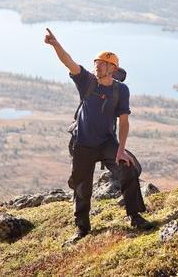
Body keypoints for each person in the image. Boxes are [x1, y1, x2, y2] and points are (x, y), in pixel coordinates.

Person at [44, 28, 153, 243]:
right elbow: (69, 62)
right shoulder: (86, 81)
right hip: (83, 144)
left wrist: (121, 149)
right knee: (82, 188)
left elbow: (124, 121)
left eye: (102, 63)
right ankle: (82, 229)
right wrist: (55, 44)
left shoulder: (121, 91)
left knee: (129, 167)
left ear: (112, 68)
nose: (97, 66)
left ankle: (135, 216)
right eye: (96, 62)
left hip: (106, 143)